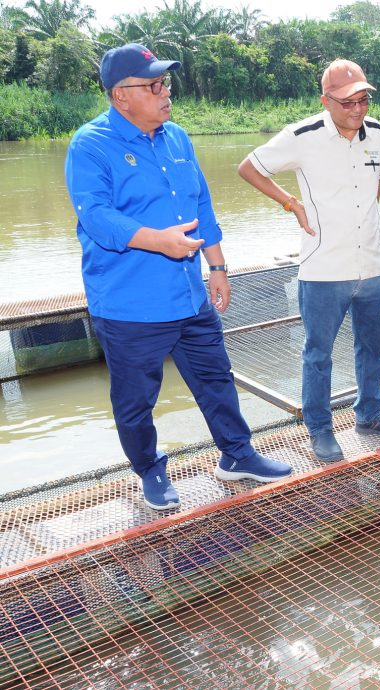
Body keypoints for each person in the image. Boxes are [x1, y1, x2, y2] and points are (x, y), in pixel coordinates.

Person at [65, 44, 292, 511]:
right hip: (130, 304)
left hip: (189, 295)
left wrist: (218, 266)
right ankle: (150, 470)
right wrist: (158, 240)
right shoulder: (90, 145)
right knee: (136, 400)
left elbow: (201, 203)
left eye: (165, 83)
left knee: (216, 379)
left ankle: (237, 454)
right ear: (121, 95)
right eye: (153, 85)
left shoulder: (177, 138)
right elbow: (97, 217)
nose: (165, 92)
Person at [238, 59, 380, 463]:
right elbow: (249, 168)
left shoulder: (377, 132)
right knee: (318, 354)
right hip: (324, 268)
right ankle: (320, 429)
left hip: (371, 264)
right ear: (326, 101)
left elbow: (375, 187)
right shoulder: (301, 136)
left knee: (373, 346)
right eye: (347, 102)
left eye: (363, 100)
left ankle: (370, 414)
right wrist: (291, 202)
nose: (357, 109)